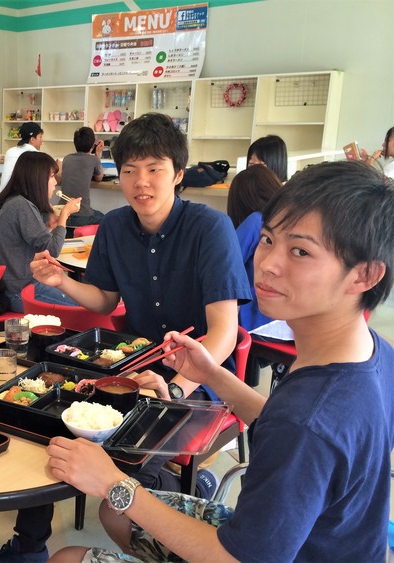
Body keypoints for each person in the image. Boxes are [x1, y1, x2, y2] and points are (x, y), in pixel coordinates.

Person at [46, 159, 394, 563]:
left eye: (300, 251)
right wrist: (213, 375)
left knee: (67, 556)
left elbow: (236, 558)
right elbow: (286, 425)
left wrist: (114, 481)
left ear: (364, 275)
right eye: (267, 239)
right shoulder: (372, 351)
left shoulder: (307, 422)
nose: (268, 265)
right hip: (312, 540)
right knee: (116, 513)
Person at [3, 113, 250, 562]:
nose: (141, 182)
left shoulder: (209, 230)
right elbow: (103, 300)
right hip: (135, 370)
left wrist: (175, 388)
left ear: (177, 174)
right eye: (131, 170)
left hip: (202, 382)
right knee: (49, 421)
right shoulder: (116, 226)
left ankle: (180, 490)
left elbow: (225, 335)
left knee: (133, 456)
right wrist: (61, 281)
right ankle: (29, 544)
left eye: (155, 169)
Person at [0, 151, 81, 313]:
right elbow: (53, 249)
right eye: (52, 176)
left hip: (10, 288)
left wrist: (51, 225)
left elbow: (32, 243)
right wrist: (64, 215)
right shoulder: (21, 206)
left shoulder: (13, 202)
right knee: (83, 308)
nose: (55, 182)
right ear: (38, 179)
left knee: (78, 296)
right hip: (20, 292)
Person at [226, 165, 283, 330]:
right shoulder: (284, 221)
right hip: (282, 317)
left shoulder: (255, 221)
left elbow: (226, 262)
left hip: (256, 315)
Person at [60, 126, 105, 228]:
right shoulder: (94, 160)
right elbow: (99, 178)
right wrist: (98, 153)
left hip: (64, 213)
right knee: (106, 219)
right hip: (82, 215)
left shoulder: (67, 158)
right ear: (93, 144)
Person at [0, 122, 59, 190]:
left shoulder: (10, 151)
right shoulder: (35, 156)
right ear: (32, 139)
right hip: (20, 198)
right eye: (40, 137)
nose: (42, 141)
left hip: (4, 196)